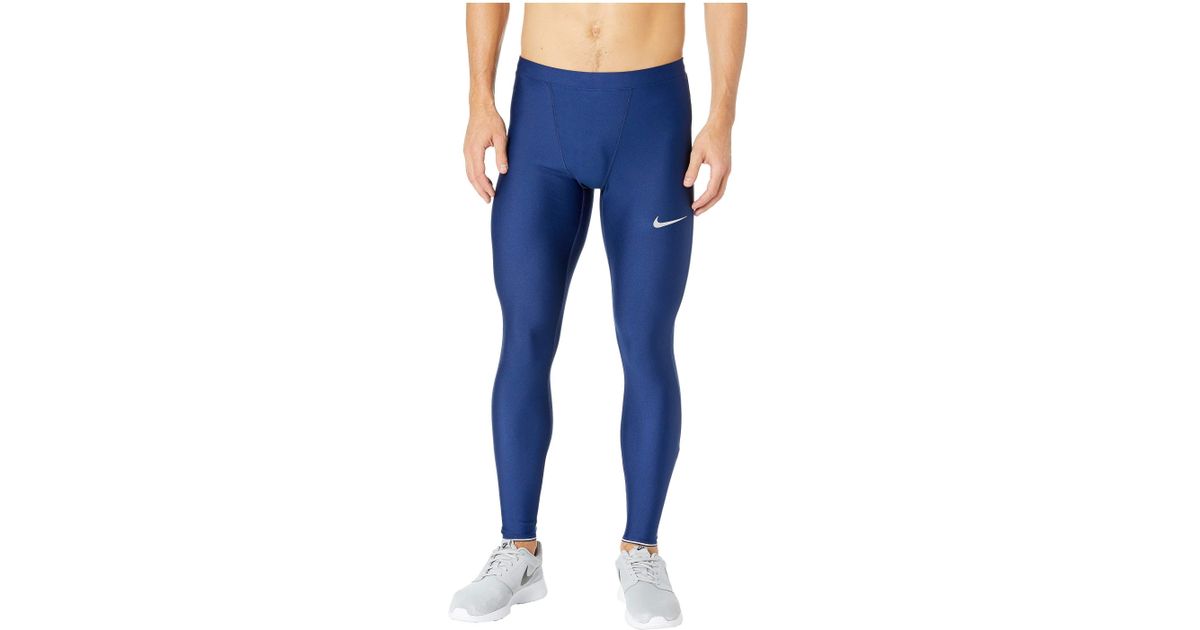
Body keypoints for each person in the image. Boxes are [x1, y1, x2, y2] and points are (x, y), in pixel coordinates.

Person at [450, 4, 746, 628]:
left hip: (652, 118)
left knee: (646, 340)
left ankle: (642, 550)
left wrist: (721, 118)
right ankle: (518, 549)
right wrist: (480, 100)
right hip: (542, 111)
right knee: (525, 335)